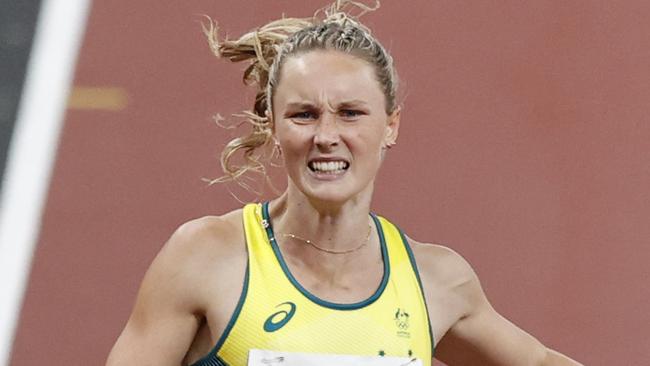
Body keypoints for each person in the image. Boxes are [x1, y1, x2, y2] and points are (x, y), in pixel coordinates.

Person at [106, 1, 582, 365]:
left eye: (350, 114)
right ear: (272, 123)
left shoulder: (437, 283)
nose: (326, 137)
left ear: (390, 126)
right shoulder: (207, 258)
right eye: (303, 115)